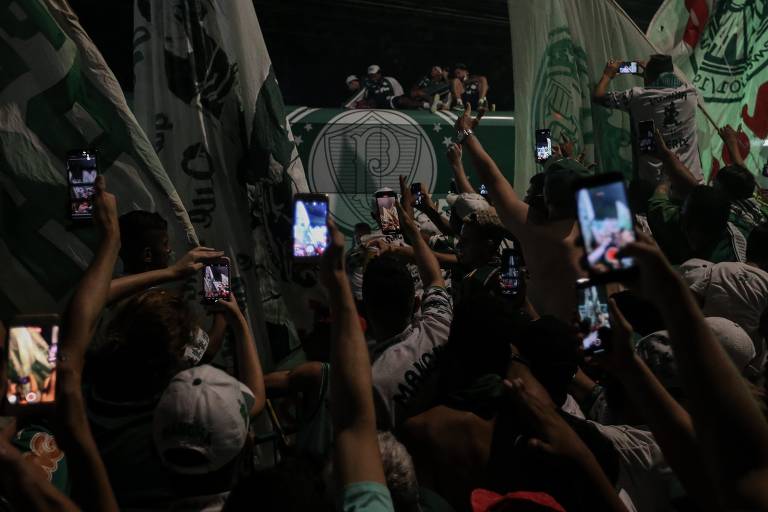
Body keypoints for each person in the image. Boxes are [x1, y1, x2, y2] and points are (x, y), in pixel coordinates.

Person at [453, 105, 588, 321]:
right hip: (601, 342)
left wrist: (465, 132)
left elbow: (492, 178)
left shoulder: (538, 233)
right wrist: (569, 164)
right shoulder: (606, 234)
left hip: (560, 344)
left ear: (545, 197)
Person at [363, 203, 453, 430]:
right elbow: (433, 277)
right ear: (416, 303)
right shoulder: (439, 325)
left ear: (365, 313)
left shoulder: (373, 385)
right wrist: (412, 231)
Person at [593, 54, 702, 183]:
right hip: (691, 182)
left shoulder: (637, 97)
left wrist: (607, 75)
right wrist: (651, 74)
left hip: (655, 186)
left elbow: (598, 96)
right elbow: (673, 80)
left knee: (645, 129)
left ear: (649, 75)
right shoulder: (690, 92)